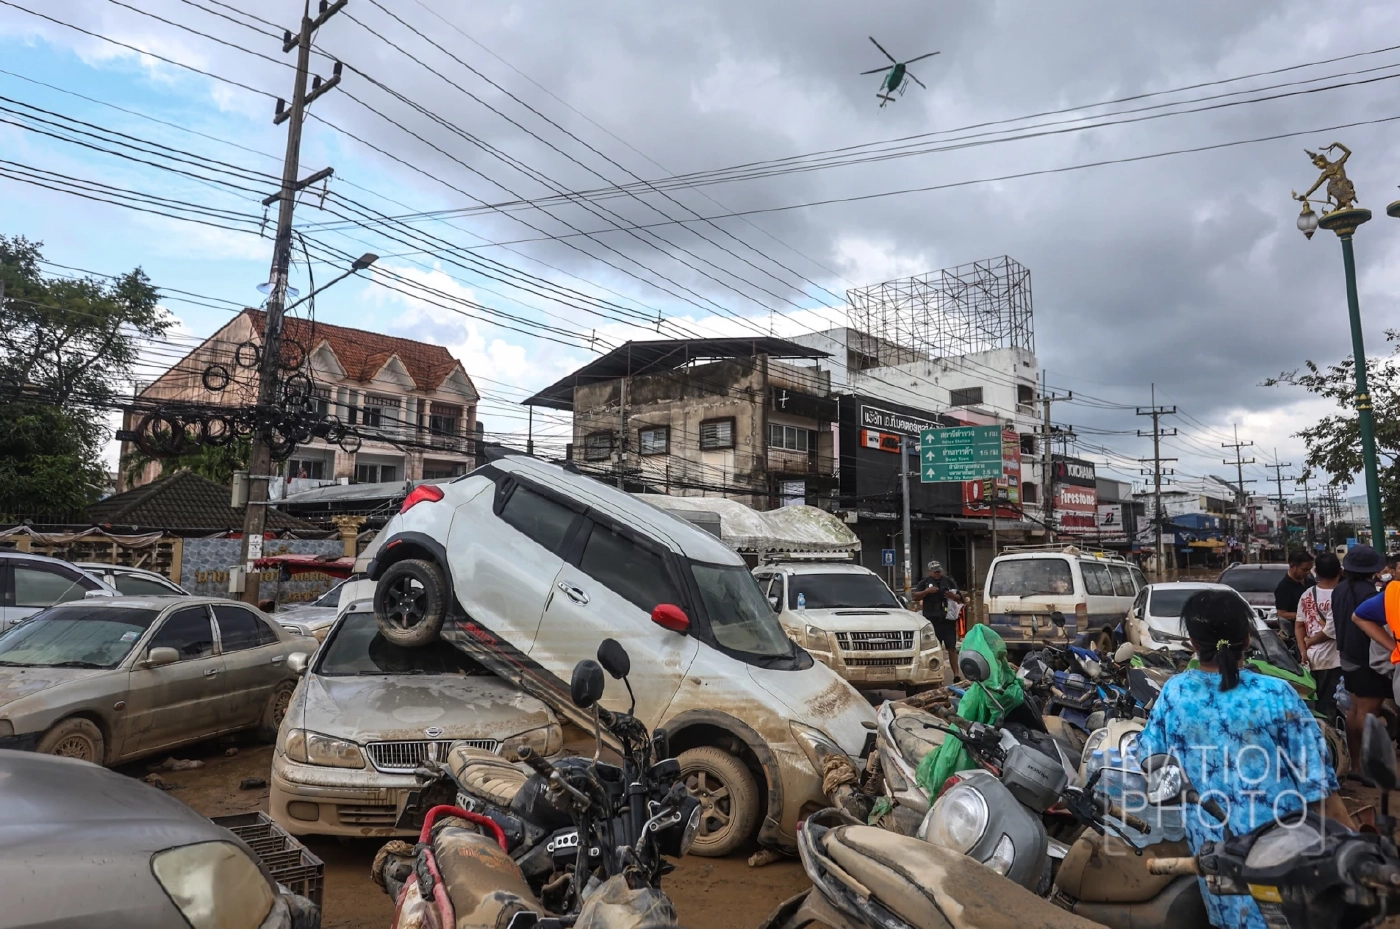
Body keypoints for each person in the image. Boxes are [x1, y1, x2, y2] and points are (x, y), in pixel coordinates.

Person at [1135, 589, 1354, 929]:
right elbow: (1320, 791)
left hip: (1215, 861)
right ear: (1247, 638)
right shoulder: (1275, 694)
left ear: (1193, 642)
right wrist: (1353, 849)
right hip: (1283, 859)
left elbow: (1148, 757)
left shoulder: (1175, 693)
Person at [1332, 544, 1386, 778]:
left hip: (1346, 656)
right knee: (1368, 712)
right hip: (1367, 658)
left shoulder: (1339, 589)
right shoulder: (1369, 594)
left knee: (1355, 711)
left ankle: (1356, 766)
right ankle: (1369, 768)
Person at [1295, 552, 1342, 723]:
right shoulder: (1340, 595)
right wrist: (1311, 642)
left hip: (1310, 660)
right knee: (1329, 708)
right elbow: (1332, 630)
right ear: (1340, 571)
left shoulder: (1307, 594)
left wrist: (1303, 650)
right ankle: (1332, 744)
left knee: (1313, 707)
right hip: (1333, 661)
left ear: (1316, 572)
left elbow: (1299, 625)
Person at [911, 560, 963, 660]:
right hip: (932, 621)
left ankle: (956, 675)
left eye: (939, 571)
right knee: (933, 649)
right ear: (930, 572)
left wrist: (952, 596)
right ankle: (937, 670)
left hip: (948, 621)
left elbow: (960, 598)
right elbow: (915, 597)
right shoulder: (924, 582)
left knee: (951, 648)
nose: (937, 574)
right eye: (935, 572)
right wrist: (927, 591)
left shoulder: (948, 581)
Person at [1274, 550, 1315, 643]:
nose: (1307, 572)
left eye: (1309, 569)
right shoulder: (1284, 587)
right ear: (1293, 566)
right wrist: (1307, 615)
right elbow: (1282, 614)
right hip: (1297, 636)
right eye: (1304, 570)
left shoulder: (1310, 583)